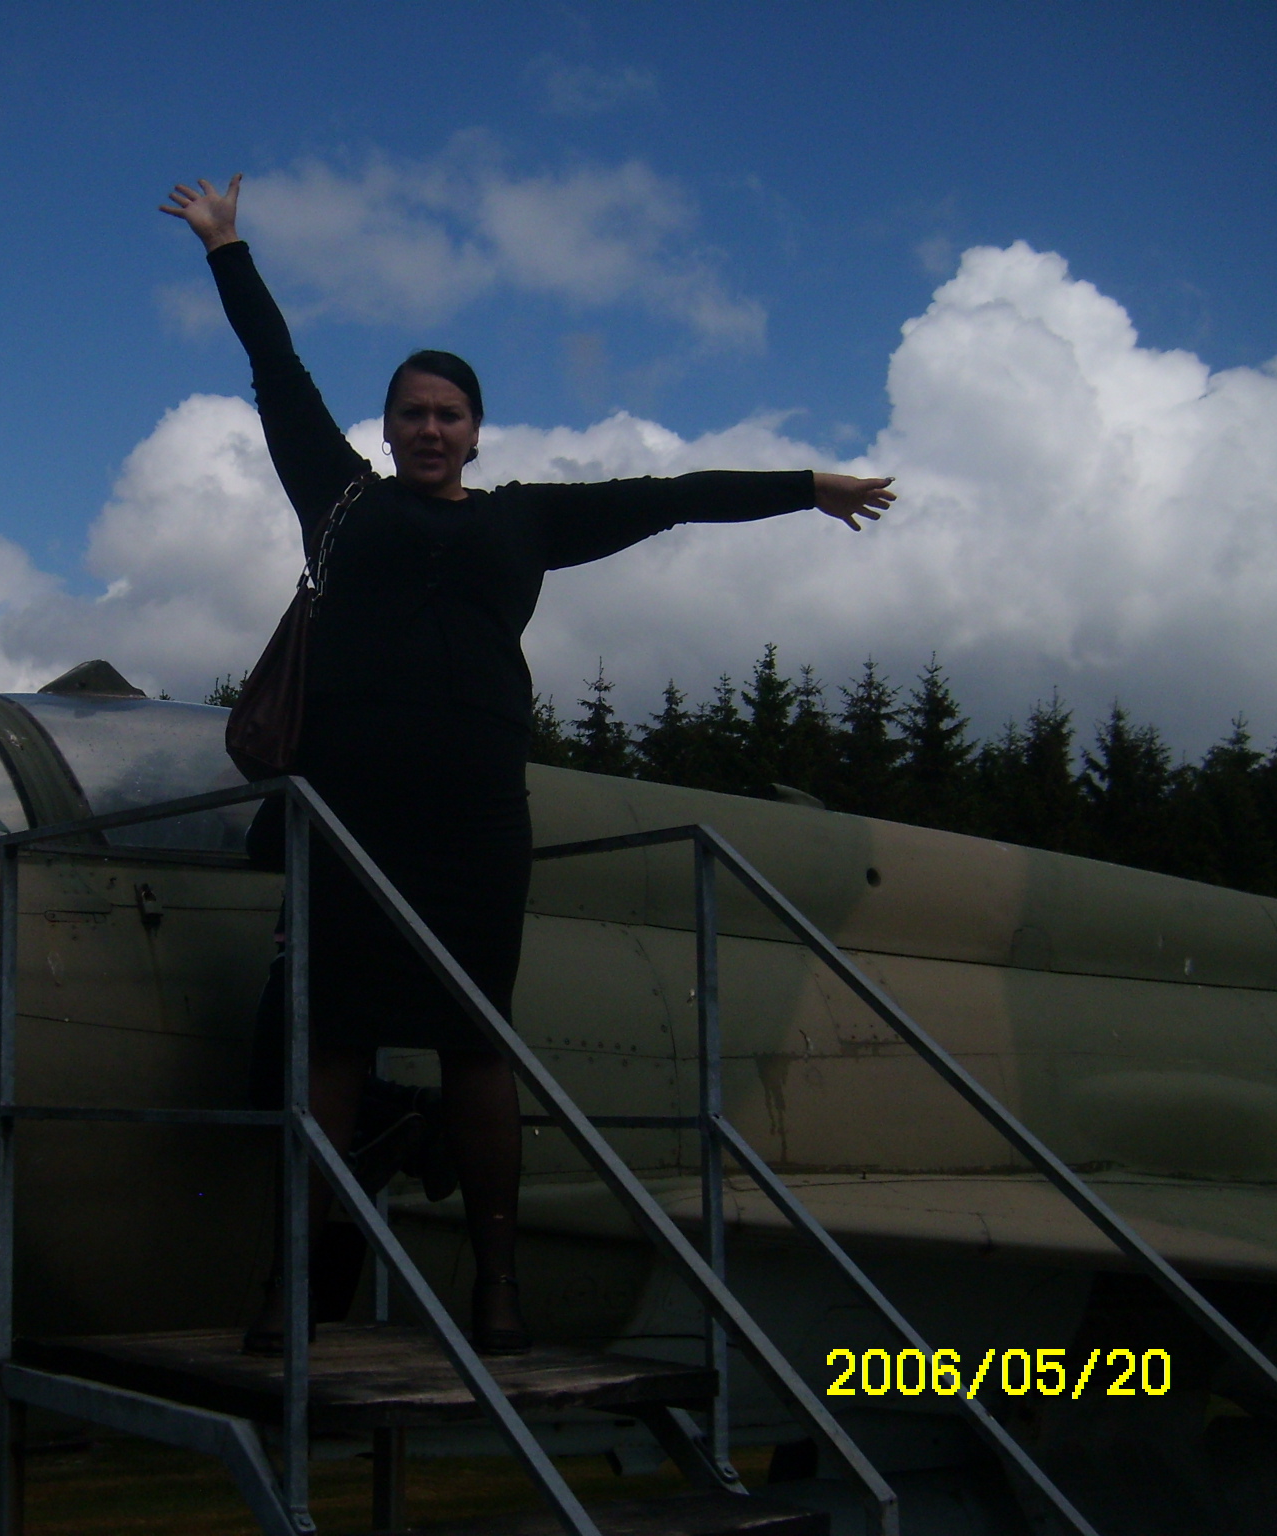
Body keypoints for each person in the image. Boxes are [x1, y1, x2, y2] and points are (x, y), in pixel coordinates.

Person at [161, 175, 893, 1355]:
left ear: (475, 431)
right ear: (386, 429)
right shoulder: (337, 495)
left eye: (448, 414)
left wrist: (806, 489)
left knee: (474, 1043)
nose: (429, 429)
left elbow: (670, 497)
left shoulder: (525, 521)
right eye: (411, 413)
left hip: (473, 816)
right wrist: (226, 248)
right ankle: (290, 1286)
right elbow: (274, 368)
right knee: (332, 1043)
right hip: (346, 807)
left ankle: (496, 1292)